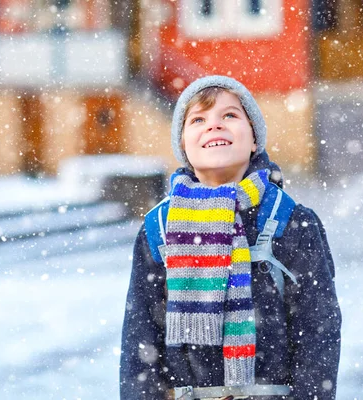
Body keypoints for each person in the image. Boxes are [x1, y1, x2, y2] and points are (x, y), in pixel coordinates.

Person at [120, 75, 341, 400]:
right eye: (198, 119)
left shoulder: (290, 220)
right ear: (183, 144)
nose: (214, 126)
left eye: (230, 115)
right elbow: (141, 337)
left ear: (254, 139)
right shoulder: (160, 227)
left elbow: (318, 332)